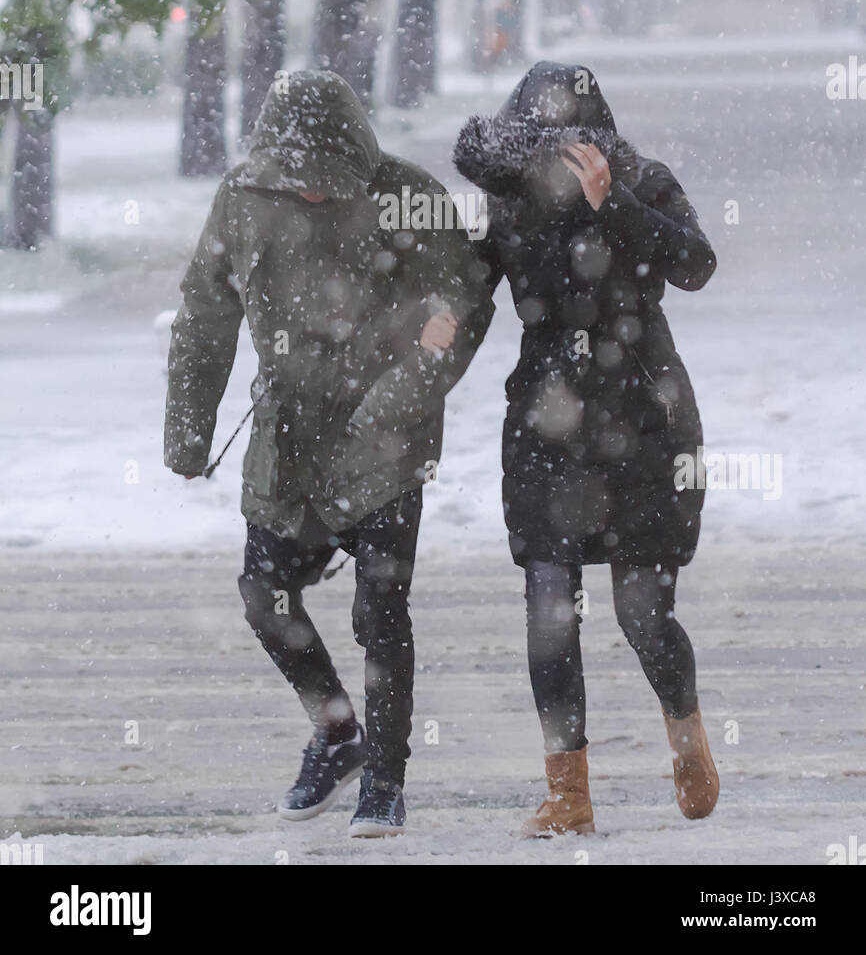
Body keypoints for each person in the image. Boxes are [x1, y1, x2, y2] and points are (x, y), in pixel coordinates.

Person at [165, 69, 492, 837]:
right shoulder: (242, 203)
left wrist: (396, 401)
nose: (312, 195)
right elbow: (205, 316)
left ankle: (385, 777)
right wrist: (188, 431)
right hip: (289, 436)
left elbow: (461, 304)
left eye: (326, 184)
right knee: (264, 595)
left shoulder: (406, 196)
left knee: (381, 608)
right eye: (297, 183)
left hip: (388, 438)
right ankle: (338, 732)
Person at [454, 60, 719, 836]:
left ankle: (685, 732)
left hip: (641, 416)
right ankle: (568, 794)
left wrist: (617, 205)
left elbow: (696, 263)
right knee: (549, 612)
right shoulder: (506, 200)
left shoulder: (640, 177)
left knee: (643, 614)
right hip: (545, 422)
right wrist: (419, 353)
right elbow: (466, 298)